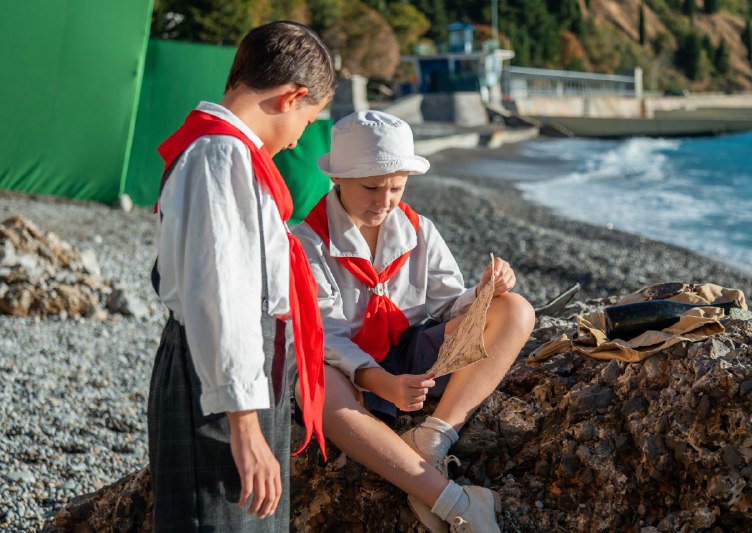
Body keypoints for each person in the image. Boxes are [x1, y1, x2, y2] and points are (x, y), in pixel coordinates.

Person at [293, 110, 536, 532]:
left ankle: (433, 437)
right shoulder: (306, 243)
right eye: (371, 187)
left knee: (515, 309)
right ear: (338, 179)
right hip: (351, 376)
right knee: (313, 385)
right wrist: (379, 382)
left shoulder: (418, 230)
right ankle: (453, 502)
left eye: (397, 187)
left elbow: (445, 307)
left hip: (412, 354)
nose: (384, 201)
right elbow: (323, 336)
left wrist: (483, 295)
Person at [147, 22, 334, 531]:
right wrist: (244, 424)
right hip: (220, 387)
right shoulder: (219, 154)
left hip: (237, 381)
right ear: (291, 97)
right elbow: (220, 296)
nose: (299, 140)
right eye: (309, 118)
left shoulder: (228, 152)